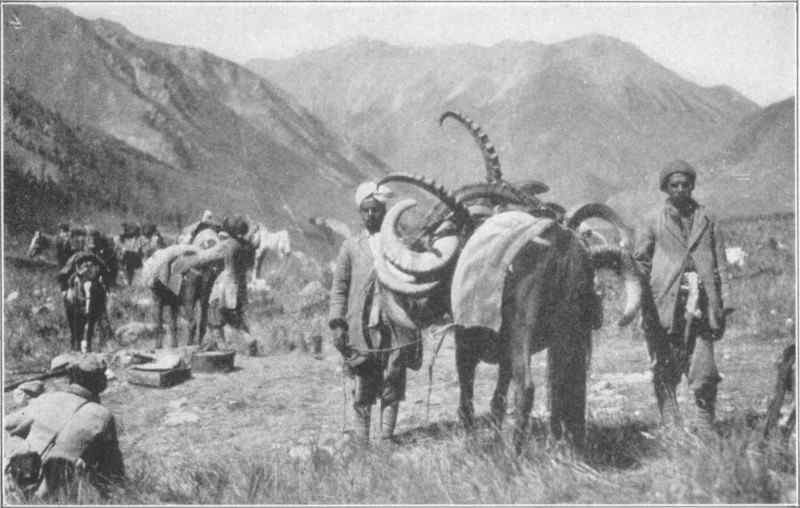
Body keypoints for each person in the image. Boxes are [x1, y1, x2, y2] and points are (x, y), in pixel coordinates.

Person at [633, 159, 732, 434]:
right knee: (665, 364)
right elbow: (640, 262)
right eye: (674, 185)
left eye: (685, 184)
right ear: (665, 188)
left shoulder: (708, 218)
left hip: (702, 302)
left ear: (692, 186)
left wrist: (726, 301)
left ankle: (705, 426)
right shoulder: (651, 220)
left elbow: (720, 262)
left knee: (704, 367)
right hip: (663, 302)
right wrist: (638, 296)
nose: (680, 189)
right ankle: (671, 426)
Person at [328, 181, 422, 445]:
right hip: (360, 325)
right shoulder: (350, 246)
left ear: (385, 212)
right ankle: (361, 441)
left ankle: (386, 438)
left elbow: (413, 279)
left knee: (393, 375)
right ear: (360, 213)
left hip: (394, 322)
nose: (371, 215)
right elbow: (339, 288)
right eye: (366, 211)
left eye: (376, 210)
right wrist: (337, 322)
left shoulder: (400, 243)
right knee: (362, 377)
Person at [4, 355, 124, 500]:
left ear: (70, 378)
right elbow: (114, 473)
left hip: (15, 487)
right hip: (56, 495)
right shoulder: (103, 416)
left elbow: (7, 424)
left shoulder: (46, 399)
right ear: (101, 384)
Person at [175, 216, 255, 350]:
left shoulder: (227, 245)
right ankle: (249, 339)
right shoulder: (247, 246)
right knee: (234, 316)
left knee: (214, 316)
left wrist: (186, 262)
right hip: (241, 285)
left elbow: (206, 256)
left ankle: (221, 346)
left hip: (226, 284)